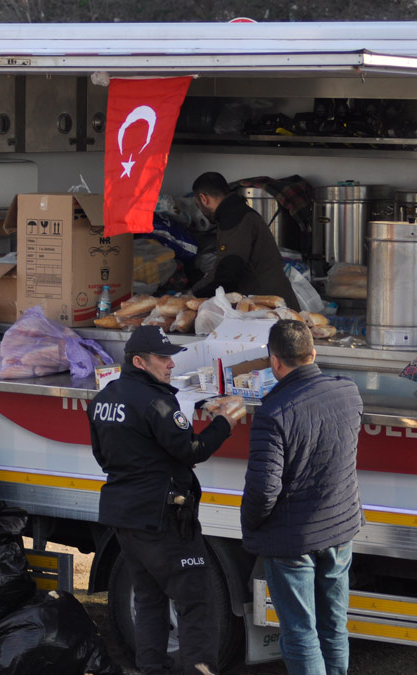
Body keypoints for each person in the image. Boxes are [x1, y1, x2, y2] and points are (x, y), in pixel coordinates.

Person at [88, 325, 246, 675]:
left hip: (125, 517)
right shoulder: (156, 402)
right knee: (197, 604)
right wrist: (224, 423)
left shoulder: (103, 399)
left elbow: (102, 456)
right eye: (163, 358)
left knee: (148, 601)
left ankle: (152, 670)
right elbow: (190, 450)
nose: (171, 365)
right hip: (163, 519)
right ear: (140, 361)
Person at [240, 320, 364, 675]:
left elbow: (264, 489)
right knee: (333, 627)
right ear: (313, 353)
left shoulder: (273, 413)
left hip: (293, 540)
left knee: (300, 633)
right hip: (340, 529)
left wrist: (251, 525)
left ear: (274, 362)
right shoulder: (348, 392)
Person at [190, 171, 302, 310]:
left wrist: (195, 293)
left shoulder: (234, 219)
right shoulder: (237, 213)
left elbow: (229, 268)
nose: (200, 209)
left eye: (197, 204)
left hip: (269, 306)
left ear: (204, 199)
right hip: (268, 302)